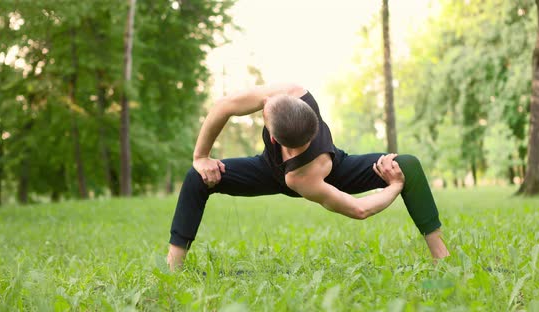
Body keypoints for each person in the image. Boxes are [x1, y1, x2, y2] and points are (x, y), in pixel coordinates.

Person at [167, 83, 450, 270]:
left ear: (275, 138)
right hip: (268, 169)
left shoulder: (303, 176)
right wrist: (200, 157)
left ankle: (441, 257)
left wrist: (396, 184)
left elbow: (360, 209)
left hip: (332, 171)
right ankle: (172, 269)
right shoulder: (287, 92)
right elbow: (224, 106)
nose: (264, 106)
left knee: (408, 165)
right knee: (197, 178)